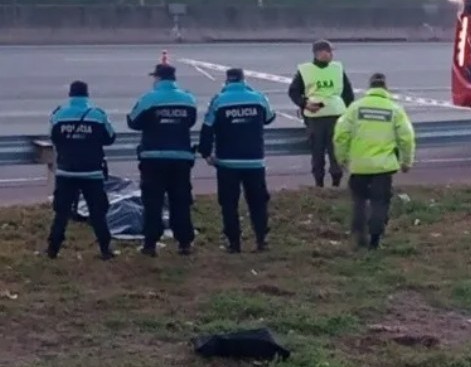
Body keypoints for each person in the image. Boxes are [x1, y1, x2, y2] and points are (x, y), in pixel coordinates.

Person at [333, 73, 415, 250]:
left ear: (369, 87)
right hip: (383, 167)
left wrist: (342, 158)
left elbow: (341, 135)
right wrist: (406, 162)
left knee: (359, 200)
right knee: (380, 202)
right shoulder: (394, 109)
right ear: (386, 87)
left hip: (359, 166)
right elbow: (407, 138)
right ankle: (375, 239)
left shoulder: (355, 108)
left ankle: (358, 233)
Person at [198, 68, 276, 253]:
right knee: (258, 202)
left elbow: (207, 127)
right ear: (243, 79)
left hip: (227, 161)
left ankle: (234, 243)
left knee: (229, 204)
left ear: (227, 81)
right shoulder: (258, 97)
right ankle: (261, 239)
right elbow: (269, 117)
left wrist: (206, 152)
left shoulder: (219, 100)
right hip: (254, 160)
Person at [128, 63, 198, 256]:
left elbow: (132, 121)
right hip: (181, 158)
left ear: (158, 78)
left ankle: (150, 244)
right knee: (181, 201)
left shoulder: (149, 99)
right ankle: (185, 243)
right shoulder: (188, 99)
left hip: (153, 158)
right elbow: (191, 121)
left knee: (153, 202)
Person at [46, 81, 117, 260]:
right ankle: (105, 249)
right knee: (97, 212)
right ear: (87, 95)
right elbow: (110, 138)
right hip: (92, 172)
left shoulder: (58, 114)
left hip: (66, 171)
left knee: (61, 213)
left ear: (70, 95)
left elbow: (53, 137)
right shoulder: (98, 115)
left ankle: (53, 249)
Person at [288, 40, 355, 188]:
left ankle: (334, 183)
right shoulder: (305, 70)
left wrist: (348, 115)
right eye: (329, 51)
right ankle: (320, 184)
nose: (332, 55)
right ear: (319, 53)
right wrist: (304, 103)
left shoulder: (337, 68)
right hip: (316, 118)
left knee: (333, 152)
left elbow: (348, 94)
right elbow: (293, 91)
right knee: (319, 153)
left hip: (334, 117)